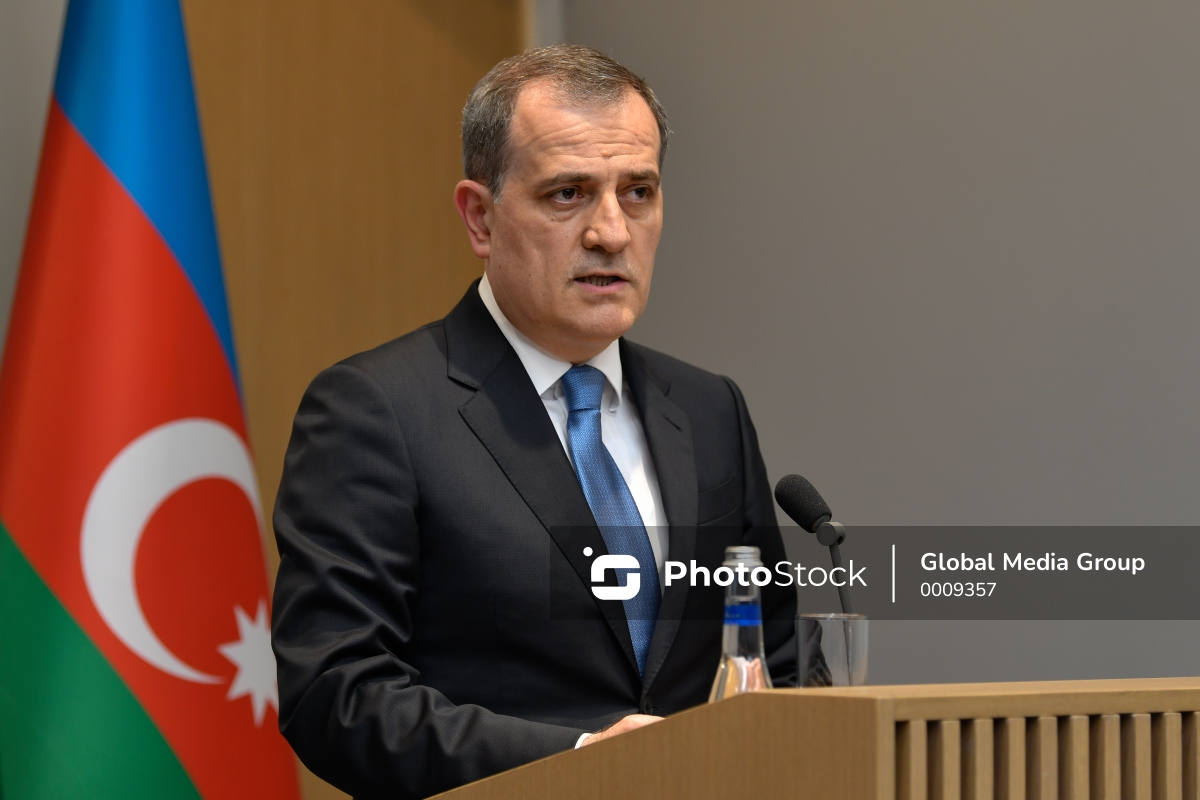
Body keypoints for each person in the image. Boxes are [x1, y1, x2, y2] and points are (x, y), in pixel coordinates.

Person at [271, 45, 796, 799]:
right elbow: (337, 695)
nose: (612, 232)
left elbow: (777, 656)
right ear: (480, 217)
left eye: (638, 192)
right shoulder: (376, 410)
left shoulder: (710, 409)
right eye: (568, 194)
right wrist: (582, 759)